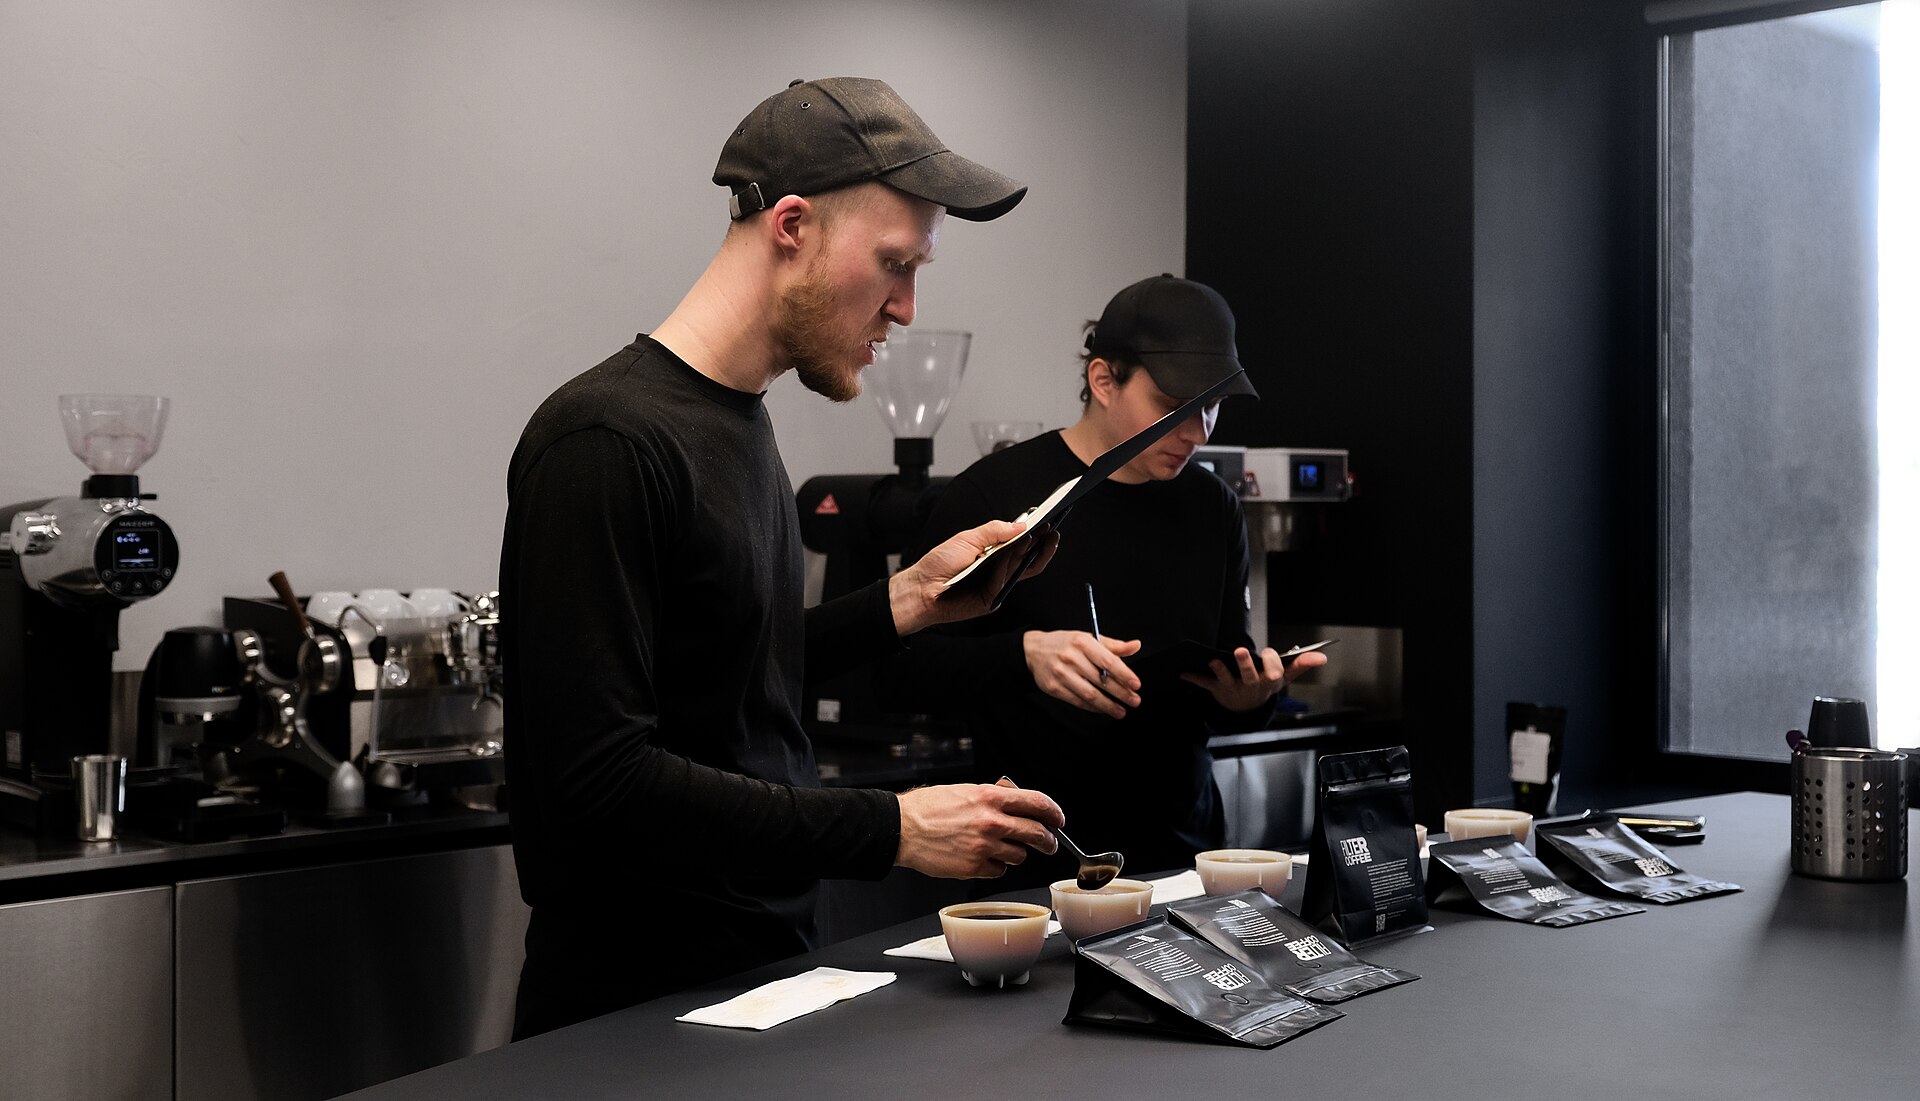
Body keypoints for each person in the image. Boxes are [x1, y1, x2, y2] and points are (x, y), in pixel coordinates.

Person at [498, 77, 1067, 1040]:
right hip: (632, 1019)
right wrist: (896, 828)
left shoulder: (741, 422)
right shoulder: (603, 441)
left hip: (760, 975)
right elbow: (597, 779)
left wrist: (905, 601)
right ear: (792, 225)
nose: (906, 307)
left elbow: (728, 672)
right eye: (894, 262)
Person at [893, 275, 1329, 890]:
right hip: (1032, 865)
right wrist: (1024, 656)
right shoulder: (996, 495)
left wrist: (1248, 700)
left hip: (1182, 859)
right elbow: (903, 669)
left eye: (1212, 405)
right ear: (1104, 380)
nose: (1198, 431)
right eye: (1175, 406)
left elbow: (1222, 680)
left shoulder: (1214, 508)